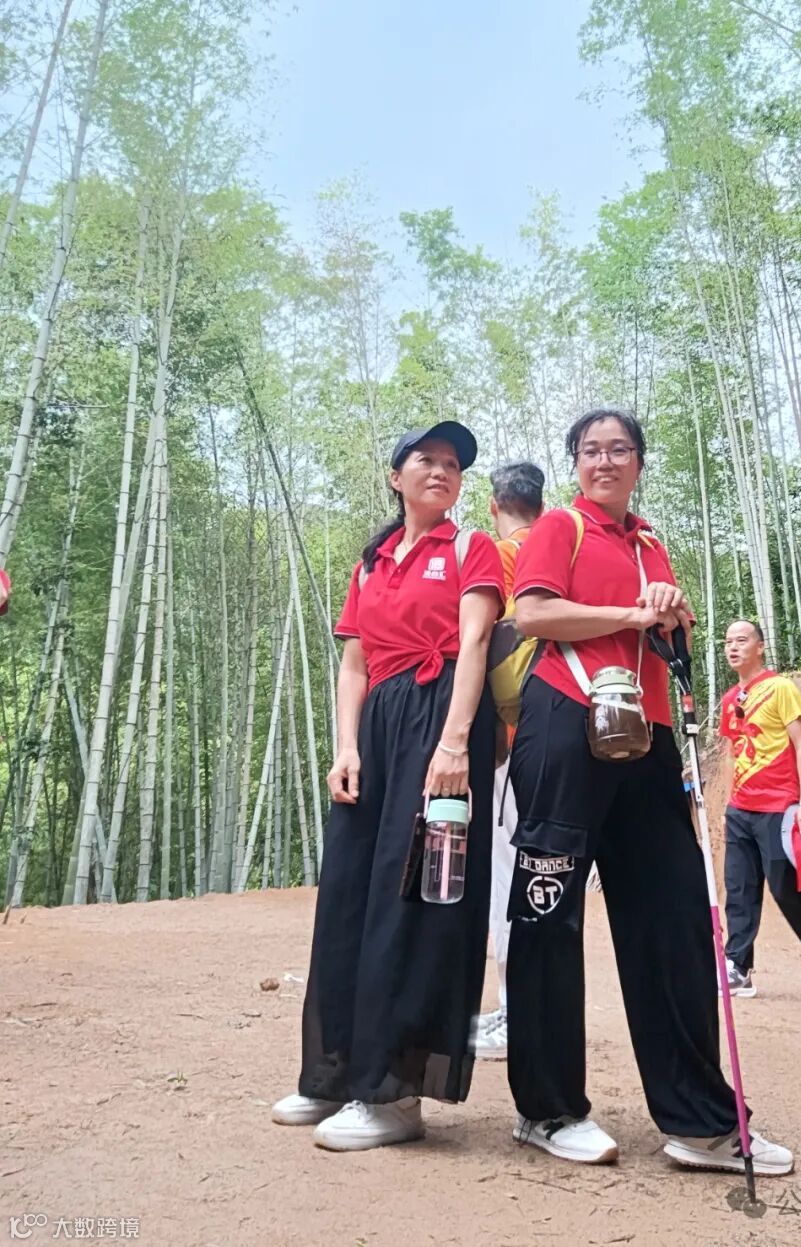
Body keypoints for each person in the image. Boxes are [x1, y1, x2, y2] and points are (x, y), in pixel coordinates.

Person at [504, 407, 793, 1174]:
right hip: (564, 723)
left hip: (648, 732)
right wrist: (633, 612)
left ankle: (700, 1120)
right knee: (548, 911)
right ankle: (547, 1107)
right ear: (575, 462)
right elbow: (531, 612)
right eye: (591, 449)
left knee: (672, 917)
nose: (605, 460)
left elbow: (666, 640)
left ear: (639, 461)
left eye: (620, 449)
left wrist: (674, 621)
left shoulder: (651, 542)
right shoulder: (561, 527)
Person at [271, 421, 504, 1151]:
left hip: (443, 718)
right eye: (425, 459)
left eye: (453, 463)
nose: (441, 470)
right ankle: (336, 1071)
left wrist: (455, 743)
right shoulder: (371, 563)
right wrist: (346, 746)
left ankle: (395, 1092)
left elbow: (475, 641)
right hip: (376, 724)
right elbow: (354, 664)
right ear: (395, 476)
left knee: (413, 896)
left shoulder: (470, 547)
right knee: (348, 893)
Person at [719, 620, 801, 1004]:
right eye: (727, 642)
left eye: (741, 640)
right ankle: (738, 966)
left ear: (760, 647)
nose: (733, 647)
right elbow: (733, 751)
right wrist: (728, 801)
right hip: (740, 809)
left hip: (779, 807)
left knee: (785, 890)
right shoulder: (730, 699)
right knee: (739, 890)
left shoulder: (781, 688)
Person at [472, 460, 545, 1062]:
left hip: (512, 738)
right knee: (542, 875)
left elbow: (478, 642)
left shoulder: (496, 556)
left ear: (494, 505)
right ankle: (521, 1008)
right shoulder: (561, 549)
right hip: (563, 736)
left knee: (509, 877)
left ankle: (517, 1012)